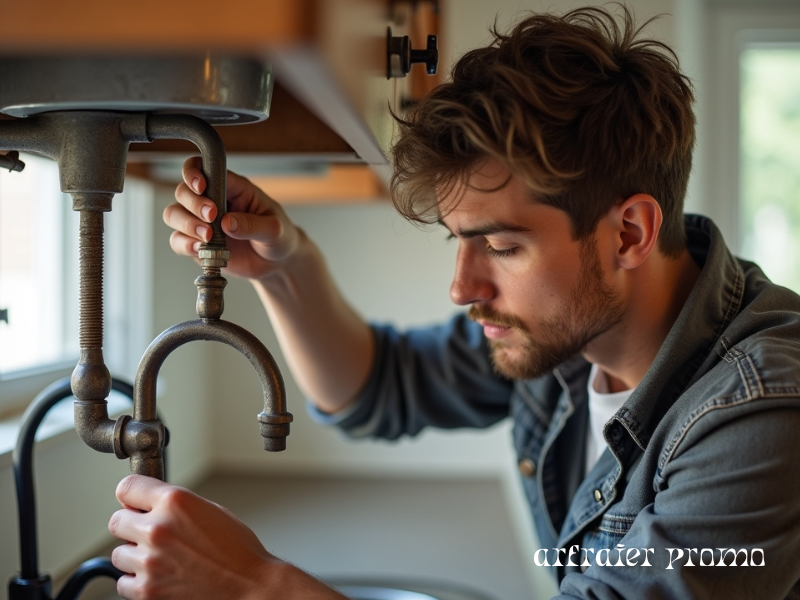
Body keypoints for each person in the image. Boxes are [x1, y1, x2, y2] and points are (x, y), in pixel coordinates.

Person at [107, 5, 800, 599]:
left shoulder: (763, 414)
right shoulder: (566, 338)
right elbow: (379, 387)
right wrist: (283, 266)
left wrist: (259, 586)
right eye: (458, 243)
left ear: (629, 233)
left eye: (499, 246)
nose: (462, 288)